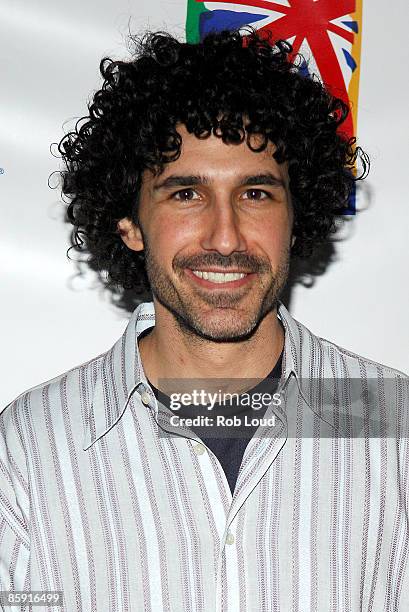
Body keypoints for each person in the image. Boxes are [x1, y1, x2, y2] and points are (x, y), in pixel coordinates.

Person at [0, 27, 408, 612]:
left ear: (297, 216)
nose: (225, 236)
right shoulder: (30, 448)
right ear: (130, 224)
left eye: (256, 194)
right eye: (186, 194)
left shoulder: (394, 429)